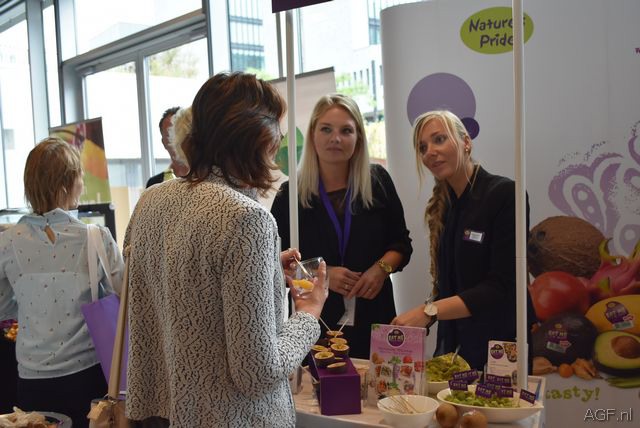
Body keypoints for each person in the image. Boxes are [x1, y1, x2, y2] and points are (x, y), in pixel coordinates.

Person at [123, 72, 327, 427]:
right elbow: (257, 373)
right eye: (277, 129)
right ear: (256, 136)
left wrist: (263, 270)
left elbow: (181, 284)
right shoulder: (246, 218)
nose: (279, 141)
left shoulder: (151, 200)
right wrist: (308, 316)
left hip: (165, 412)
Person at [271, 94, 412, 359]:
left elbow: (402, 244)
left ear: (358, 138)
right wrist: (322, 276)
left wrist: (381, 270)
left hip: (374, 313)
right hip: (316, 322)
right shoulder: (289, 196)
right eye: (326, 129)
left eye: (346, 130)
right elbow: (275, 264)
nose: (335, 138)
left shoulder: (378, 181)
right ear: (312, 135)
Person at [391, 110, 531, 371]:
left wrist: (428, 311)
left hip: (500, 347)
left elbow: (501, 286)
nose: (430, 152)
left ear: (466, 142)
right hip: (457, 347)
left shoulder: (504, 194)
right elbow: (451, 284)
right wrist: (419, 319)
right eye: (423, 147)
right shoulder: (445, 207)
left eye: (439, 139)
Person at [0, 137, 124, 428]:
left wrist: (36, 309)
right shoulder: (96, 238)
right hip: (88, 373)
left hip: (31, 377)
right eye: (79, 175)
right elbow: (124, 297)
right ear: (67, 183)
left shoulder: (7, 242)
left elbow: (3, 307)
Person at [146, 106, 189, 188]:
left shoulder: (207, 179)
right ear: (163, 143)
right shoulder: (154, 184)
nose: (177, 141)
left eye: (179, 133)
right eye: (170, 134)